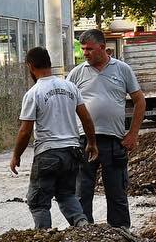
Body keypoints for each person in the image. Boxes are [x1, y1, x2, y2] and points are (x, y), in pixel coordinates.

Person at [9, 46, 98, 230]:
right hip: (73, 151)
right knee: (67, 195)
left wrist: (16, 155)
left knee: (38, 202)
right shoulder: (70, 87)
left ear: (30, 66)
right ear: (49, 63)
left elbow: (25, 131)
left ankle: (43, 238)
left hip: (48, 154)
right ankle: (83, 226)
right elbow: (86, 118)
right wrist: (92, 143)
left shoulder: (34, 93)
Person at [68, 29, 145, 228]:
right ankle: (83, 234)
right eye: (83, 49)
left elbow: (139, 100)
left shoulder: (122, 69)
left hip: (113, 141)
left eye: (89, 49)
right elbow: (65, 105)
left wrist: (133, 134)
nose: (85, 53)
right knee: (82, 191)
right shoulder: (76, 73)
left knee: (116, 192)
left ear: (102, 48)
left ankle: (121, 234)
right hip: (85, 141)